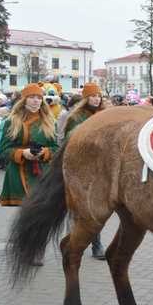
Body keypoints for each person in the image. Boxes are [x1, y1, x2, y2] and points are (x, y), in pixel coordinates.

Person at [60, 83, 107, 260]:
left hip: (101, 168)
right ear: (86, 98)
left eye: (98, 95)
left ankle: (96, 245)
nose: (96, 98)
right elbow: (68, 141)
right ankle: (76, 243)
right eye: (93, 95)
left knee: (98, 210)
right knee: (80, 210)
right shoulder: (76, 116)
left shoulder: (106, 115)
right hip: (80, 169)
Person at [0, 83, 59, 209]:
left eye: (39, 97)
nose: (36, 100)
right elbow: (3, 150)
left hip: (43, 172)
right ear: (24, 99)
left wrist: (45, 152)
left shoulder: (50, 121)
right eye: (32, 97)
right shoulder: (11, 121)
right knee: (26, 214)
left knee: (42, 213)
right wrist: (23, 153)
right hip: (19, 172)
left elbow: (56, 148)